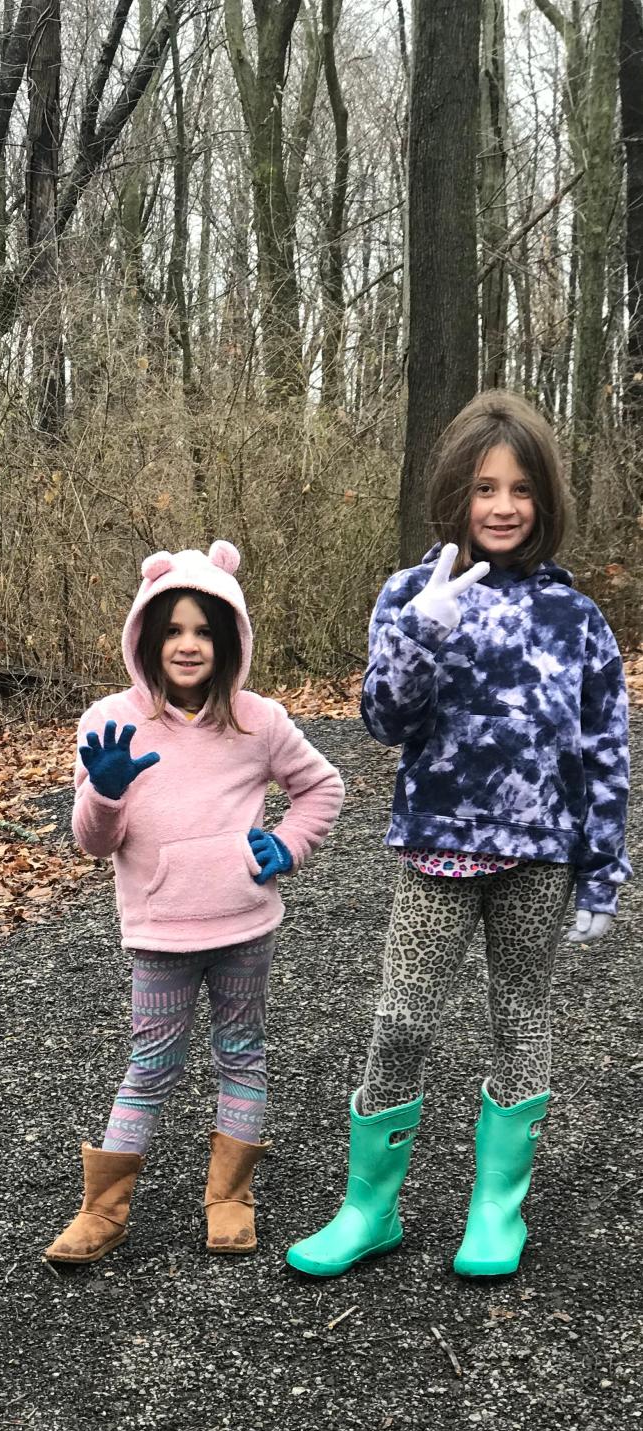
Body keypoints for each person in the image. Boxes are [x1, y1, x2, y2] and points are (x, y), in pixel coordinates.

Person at [287, 390, 632, 1281]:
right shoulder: (413, 593)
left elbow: (604, 752)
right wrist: (417, 638)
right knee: (402, 1019)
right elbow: (383, 721)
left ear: (544, 499)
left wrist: (603, 868)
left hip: (541, 857)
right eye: (485, 487)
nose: (504, 506)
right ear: (457, 495)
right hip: (440, 849)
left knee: (521, 1018)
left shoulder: (577, 618)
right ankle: (369, 1207)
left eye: (520, 488)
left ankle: (495, 1210)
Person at [44, 542, 345, 1264]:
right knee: (150, 1066)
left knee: (242, 1053)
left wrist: (288, 844)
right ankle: (103, 1211)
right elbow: (92, 842)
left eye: (204, 631)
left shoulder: (258, 721)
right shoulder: (110, 722)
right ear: (147, 637)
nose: (188, 644)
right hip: (158, 933)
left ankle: (230, 1199)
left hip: (245, 926)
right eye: (173, 629)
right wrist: (105, 789)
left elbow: (322, 787)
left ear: (230, 639)